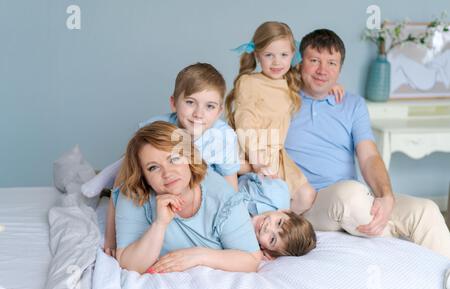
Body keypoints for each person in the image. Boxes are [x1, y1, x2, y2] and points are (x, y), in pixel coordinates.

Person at [284, 29, 450, 258]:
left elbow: (369, 156)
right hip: (311, 204)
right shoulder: (281, 99)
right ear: (300, 64)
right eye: (314, 61)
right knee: (349, 195)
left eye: (331, 63)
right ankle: (405, 248)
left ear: (340, 69)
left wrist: (386, 196)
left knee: (426, 211)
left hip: (357, 199)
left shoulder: (353, 104)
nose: (323, 70)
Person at [114, 121, 316, 274]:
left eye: (174, 158)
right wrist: (159, 225)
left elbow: (251, 260)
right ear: (144, 176)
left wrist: (198, 255)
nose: (167, 173)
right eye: (153, 168)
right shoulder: (134, 192)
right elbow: (128, 263)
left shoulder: (223, 197)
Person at [91, 63, 242, 257]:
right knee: (127, 171)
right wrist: (111, 238)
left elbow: (231, 189)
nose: (198, 113)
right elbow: (121, 188)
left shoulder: (224, 137)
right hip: (160, 189)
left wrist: (238, 230)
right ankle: (101, 179)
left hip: (197, 196)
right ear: (173, 103)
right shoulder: (155, 129)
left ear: (219, 111)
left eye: (209, 106)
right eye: (190, 102)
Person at [225, 21, 343, 215]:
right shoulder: (250, 82)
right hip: (254, 152)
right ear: (257, 55)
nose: (277, 62)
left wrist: (332, 86)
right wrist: (255, 158)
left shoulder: (289, 81)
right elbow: (245, 122)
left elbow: (314, 78)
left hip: (277, 155)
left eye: (283, 55)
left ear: (292, 55)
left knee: (306, 196)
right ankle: (256, 229)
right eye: (269, 55)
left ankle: (273, 225)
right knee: (268, 197)